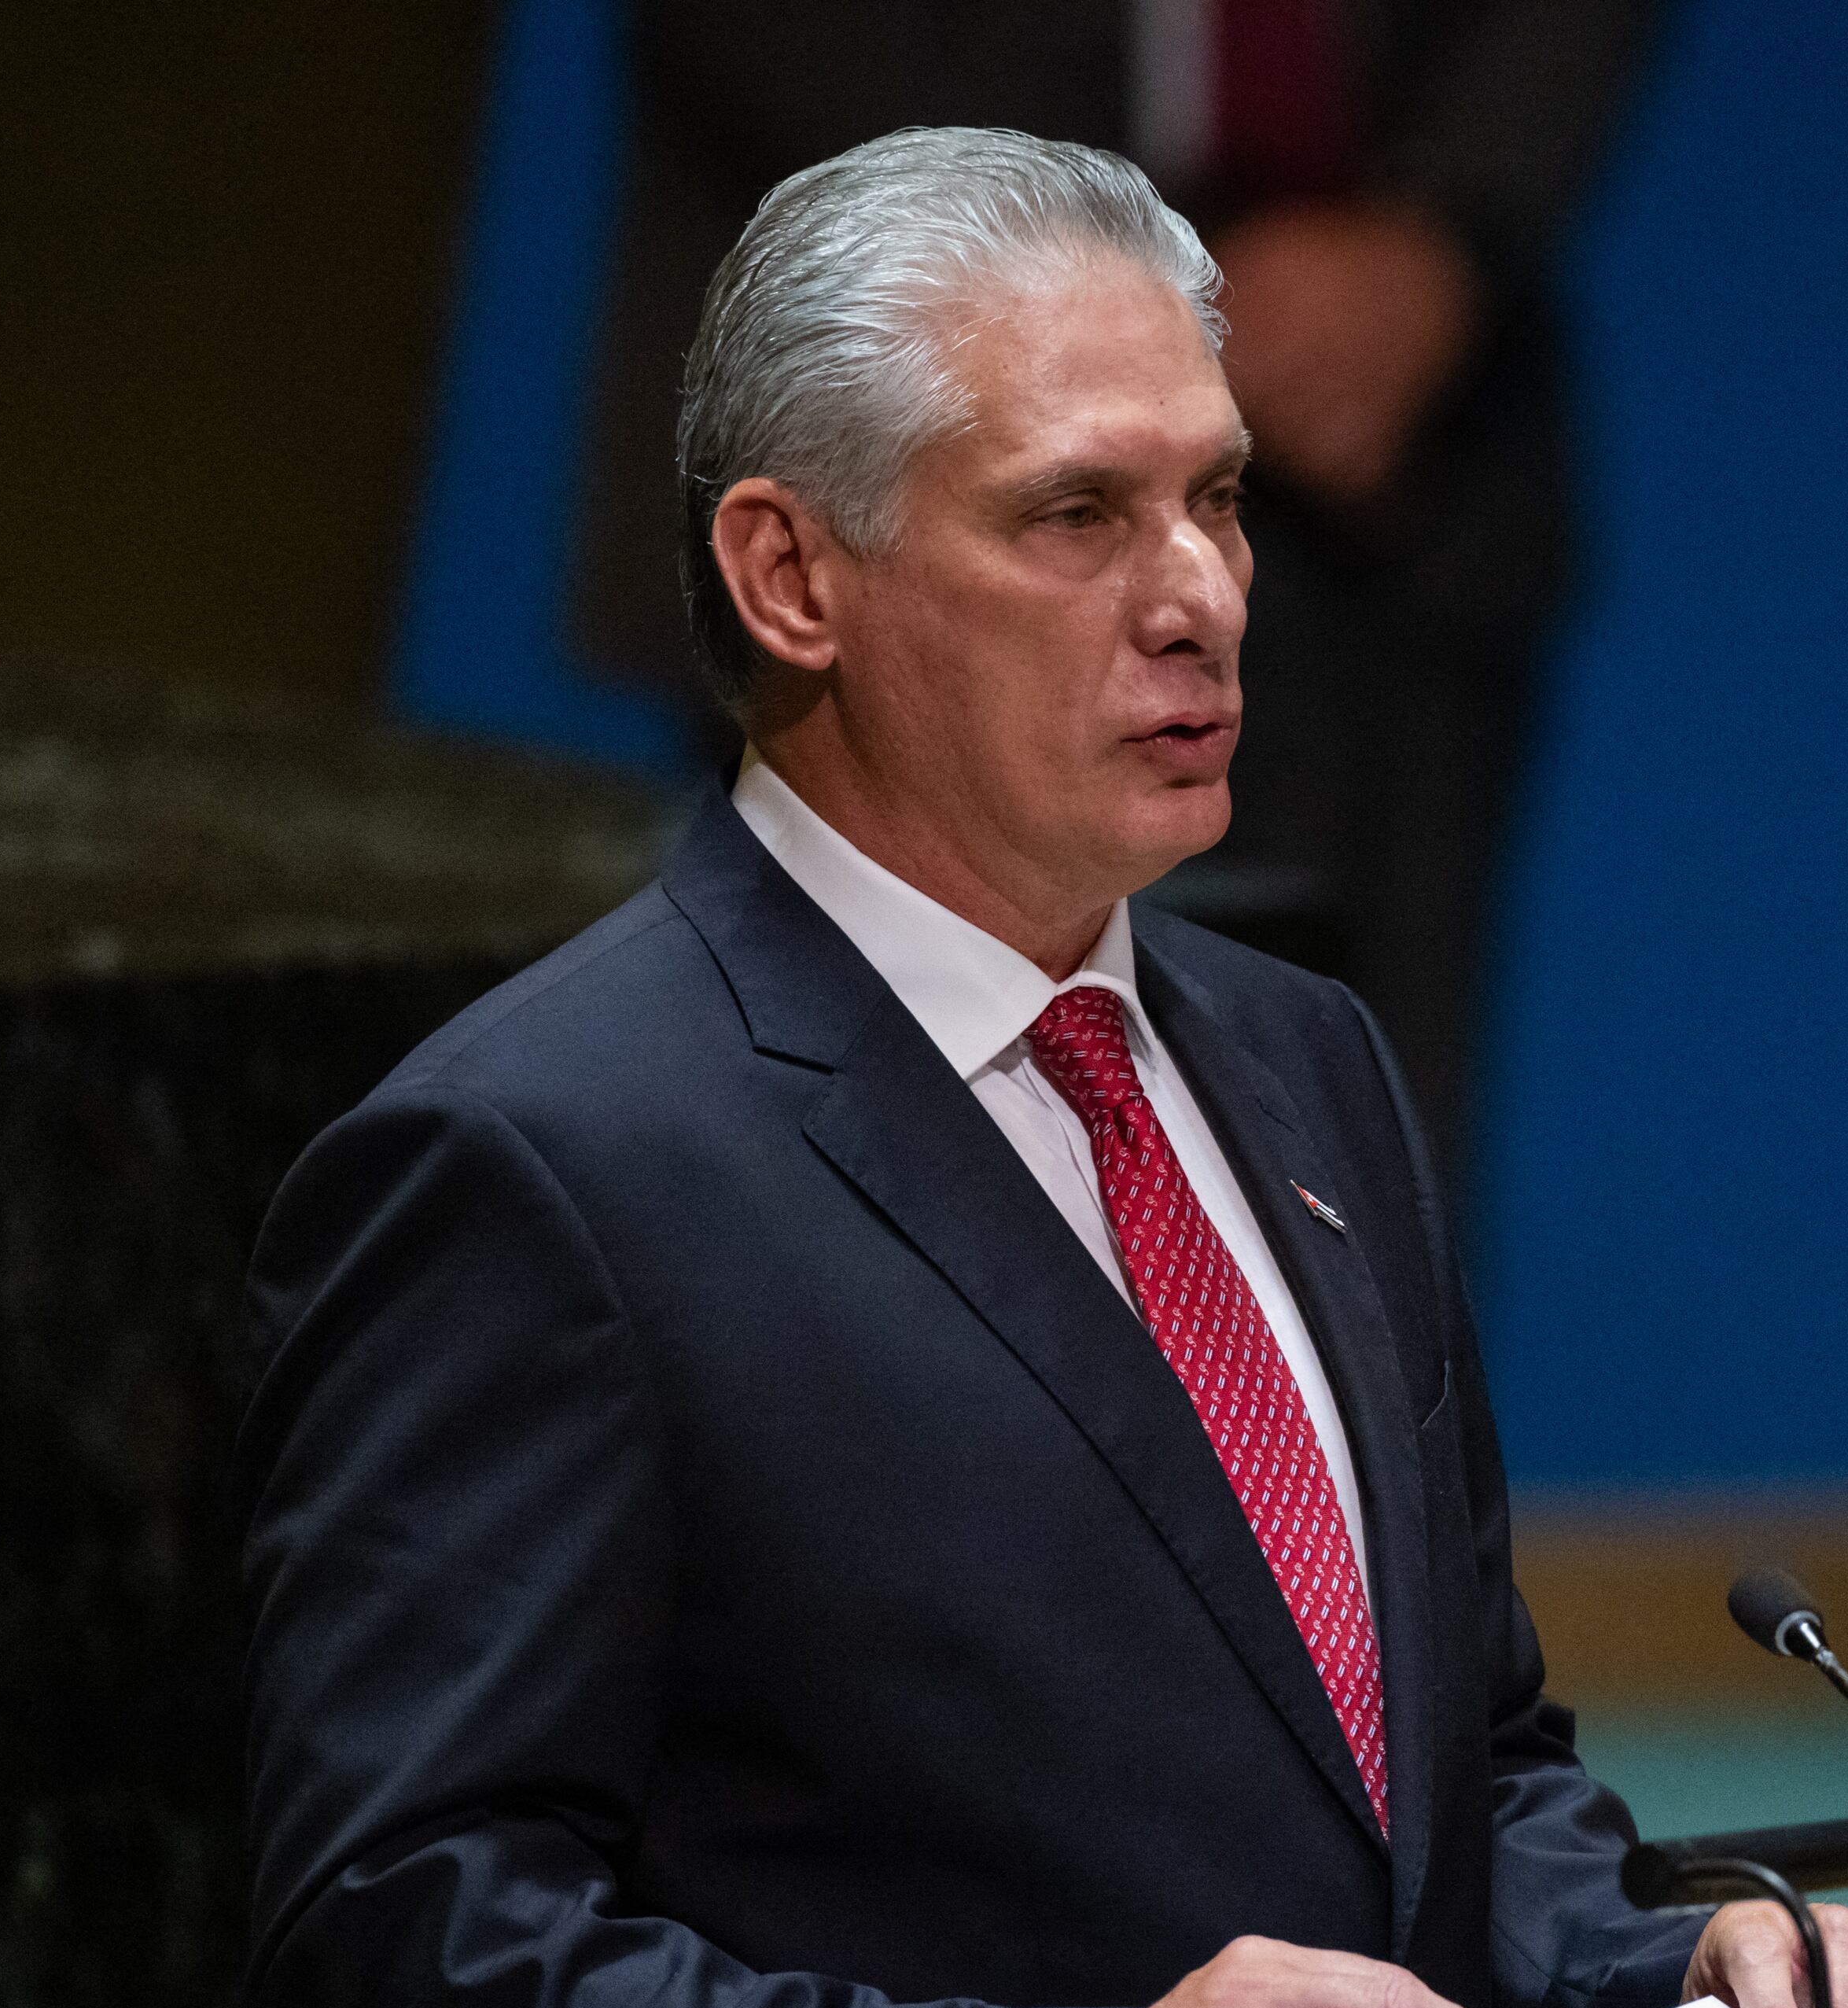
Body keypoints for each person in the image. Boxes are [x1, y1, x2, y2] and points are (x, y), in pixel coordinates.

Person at [243, 129, 1848, 2008]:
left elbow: (1463, 1783)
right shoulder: (541, 1163)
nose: (1203, 596)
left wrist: (1696, 1959)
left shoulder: (1308, 1059)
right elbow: (411, 1956)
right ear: (791, 577)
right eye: (1077, 513)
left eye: (1223, 496)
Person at [569, 0, 1673, 1176]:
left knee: (1343, 1201)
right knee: (861, 1196)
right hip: (903, 408)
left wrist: (1442, 232)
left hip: (1402, 485)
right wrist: (1117, 291)